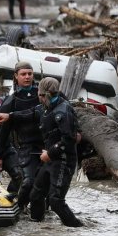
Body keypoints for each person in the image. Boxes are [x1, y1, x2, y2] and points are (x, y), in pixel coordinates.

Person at [29, 77, 83, 227]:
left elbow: (69, 140)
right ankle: (37, 227)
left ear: (46, 95)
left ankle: (77, 228)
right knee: (36, 194)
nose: (38, 98)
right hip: (50, 159)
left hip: (63, 161)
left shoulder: (63, 111)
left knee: (56, 200)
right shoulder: (47, 106)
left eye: (40, 95)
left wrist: (50, 153)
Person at [0, 61, 42, 212]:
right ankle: (19, 206)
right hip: (25, 146)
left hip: (46, 145)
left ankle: (40, 213)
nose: (27, 77)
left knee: (44, 185)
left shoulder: (42, 95)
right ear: (16, 76)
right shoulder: (10, 102)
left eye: (30, 73)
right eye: (23, 74)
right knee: (28, 182)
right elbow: (4, 132)